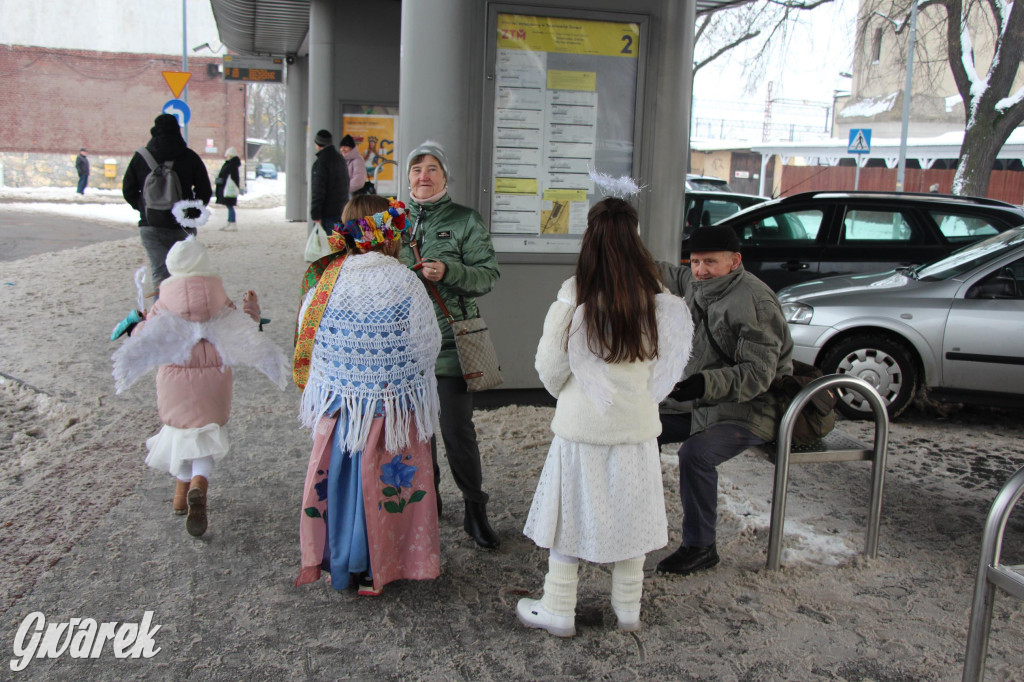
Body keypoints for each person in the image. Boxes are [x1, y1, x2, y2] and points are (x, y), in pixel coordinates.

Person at [517, 198, 693, 638]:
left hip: (583, 428)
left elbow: (550, 367)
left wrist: (570, 393)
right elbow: (667, 366)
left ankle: (558, 607)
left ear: (590, 237)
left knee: (569, 517)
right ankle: (627, 609)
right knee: (631, 516)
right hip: (636, 429)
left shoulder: (575, 293)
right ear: (636, 237)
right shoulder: (658, 297)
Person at [294, 195, 442, 596]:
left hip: (344, 411)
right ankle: (386, 564)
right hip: (390, 410)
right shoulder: (403, 279)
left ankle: (344, 564)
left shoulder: (326, 280)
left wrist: (344, 376)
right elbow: (427, 342)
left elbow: (311, 337)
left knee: (343, 487)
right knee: (385, 487)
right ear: (387, 231)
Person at [111, 237, 289, 537]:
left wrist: (136, 321)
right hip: (214, 381)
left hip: (174, 380)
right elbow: (243, 324)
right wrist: (252, 305)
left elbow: (145, 334)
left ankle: (181, 497)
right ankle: (199, 485)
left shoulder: (164, 299)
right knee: (206, 435)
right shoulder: (218, 297)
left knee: (179, 435)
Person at [655, 224, 794, 576]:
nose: (700, 270)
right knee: (643, 426)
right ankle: (639, 522)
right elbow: (663, 272)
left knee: (696, 454)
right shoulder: (696, 283)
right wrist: (619, 240)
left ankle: (701, 546)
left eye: (710, 262)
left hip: (751, 409)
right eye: (695, 261)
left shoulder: (755, 302)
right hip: (705, 401)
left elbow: (758, 376)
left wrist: (703, 384)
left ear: (735, 261)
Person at [400, 140, 502, 549]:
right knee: (414, 434)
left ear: (445, 177)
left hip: (450, 345)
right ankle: (428, 504)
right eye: (416, 169)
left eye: (432, 169)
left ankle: (475, 509)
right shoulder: (392, 221)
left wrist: (450, 270)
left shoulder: (465, 220)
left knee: (456, 431)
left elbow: (489, 275)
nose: (423, 176)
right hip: (403, 347)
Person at [122, 114, 213, 288]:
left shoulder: (141, 157)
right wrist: (190, 211)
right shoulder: (190, 157)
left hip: (150, 226)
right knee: (186, 273)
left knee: (160, 274)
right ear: (178, 132)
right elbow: (205, 190)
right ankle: (185, 311)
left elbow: (128, 190)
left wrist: (144, 208)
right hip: (182, 225)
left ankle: (160, 312)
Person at [310, 129, 349, 234]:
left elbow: (318, 191)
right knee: (337, 246)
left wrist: (316, 214)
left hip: (326, 214)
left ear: (317, 144)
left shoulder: (321, 163)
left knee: (323, 248)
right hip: (341, 211)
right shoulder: (340, 159)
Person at [215, 147, 242, 231]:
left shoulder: (231, 164)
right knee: (229, 205)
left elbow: (231, 176)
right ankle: (230, 222)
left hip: (229, 188)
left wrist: (220, 181)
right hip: (227, 188)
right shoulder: (231, 164)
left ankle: (232, 222)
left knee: (230, 205)